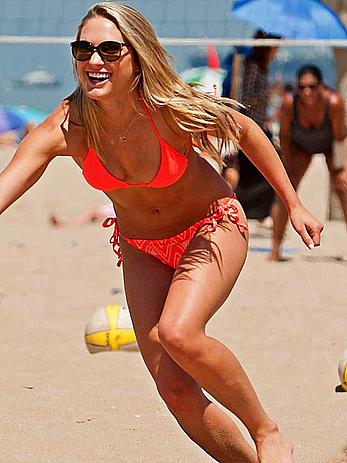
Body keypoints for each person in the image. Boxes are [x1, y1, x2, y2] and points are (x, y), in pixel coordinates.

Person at [0, 3, 323, 462]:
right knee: (172, 387)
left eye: (110, 49)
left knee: (179, 334)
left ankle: (267, 433)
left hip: (210, 226)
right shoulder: (67, 126)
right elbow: (8, 183)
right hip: (140, 245)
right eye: (83, 49)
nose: (94, 61)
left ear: (137, 55)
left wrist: (293, 203)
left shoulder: (168, 108)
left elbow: (247, 130)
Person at [270, 64, 347, 261]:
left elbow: (339, 138)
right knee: (285, 190)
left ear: (322, 87)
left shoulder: (334, 102)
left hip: (329, 144)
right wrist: (286, 167)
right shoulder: (290, 103)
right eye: (302, 87)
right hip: (300, 146)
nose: (307, 92)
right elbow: (285, 136)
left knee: (344, 187)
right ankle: (276, 248)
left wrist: (340, 169)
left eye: (312, 87)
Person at [227, 30, 281, 223]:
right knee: (234, 170)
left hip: (253, 127)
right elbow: (245, 98)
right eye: (276, 46)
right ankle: (229, 208)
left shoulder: (260, 67)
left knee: (242, 170)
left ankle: (251, 211)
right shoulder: (252, 66)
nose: (278, 50)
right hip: (244, 128)